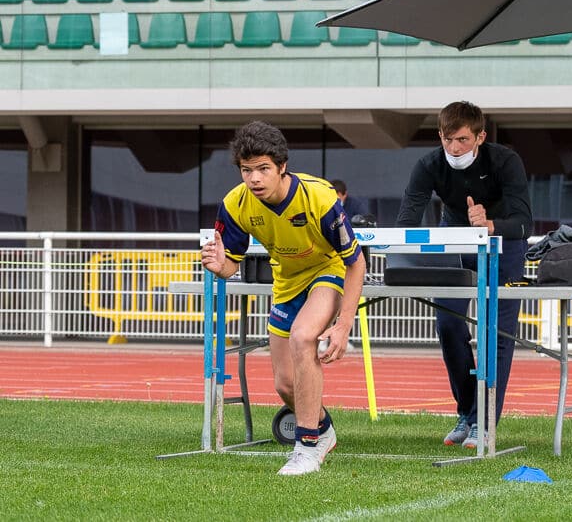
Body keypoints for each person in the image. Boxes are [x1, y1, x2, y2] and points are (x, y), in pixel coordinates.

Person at [201, 121, 366, 475]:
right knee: (285, 384)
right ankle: (322, 431)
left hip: (328, 270)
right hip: (287, 282)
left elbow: (356, 263)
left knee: (303, 337)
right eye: (247, 170)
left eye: (263, 169)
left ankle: (305, 447)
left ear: (281, 167)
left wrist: (343, 325)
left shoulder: (320, 198)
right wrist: (220, 265)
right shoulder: (235, 204)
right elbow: (232, 265)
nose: (255, 179)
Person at [395, 101, 532, 449]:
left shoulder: (506, 161)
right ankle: (467, 413)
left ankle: (484, 423)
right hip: (454, 236)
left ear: (480, 136)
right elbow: (407, 221)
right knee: (448, 324)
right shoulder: (428, 165)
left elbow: (524, 223)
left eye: (462, 140)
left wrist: (489, 224)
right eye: (447, 140)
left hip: (503, 241)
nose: (454, 148)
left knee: (495, 334)